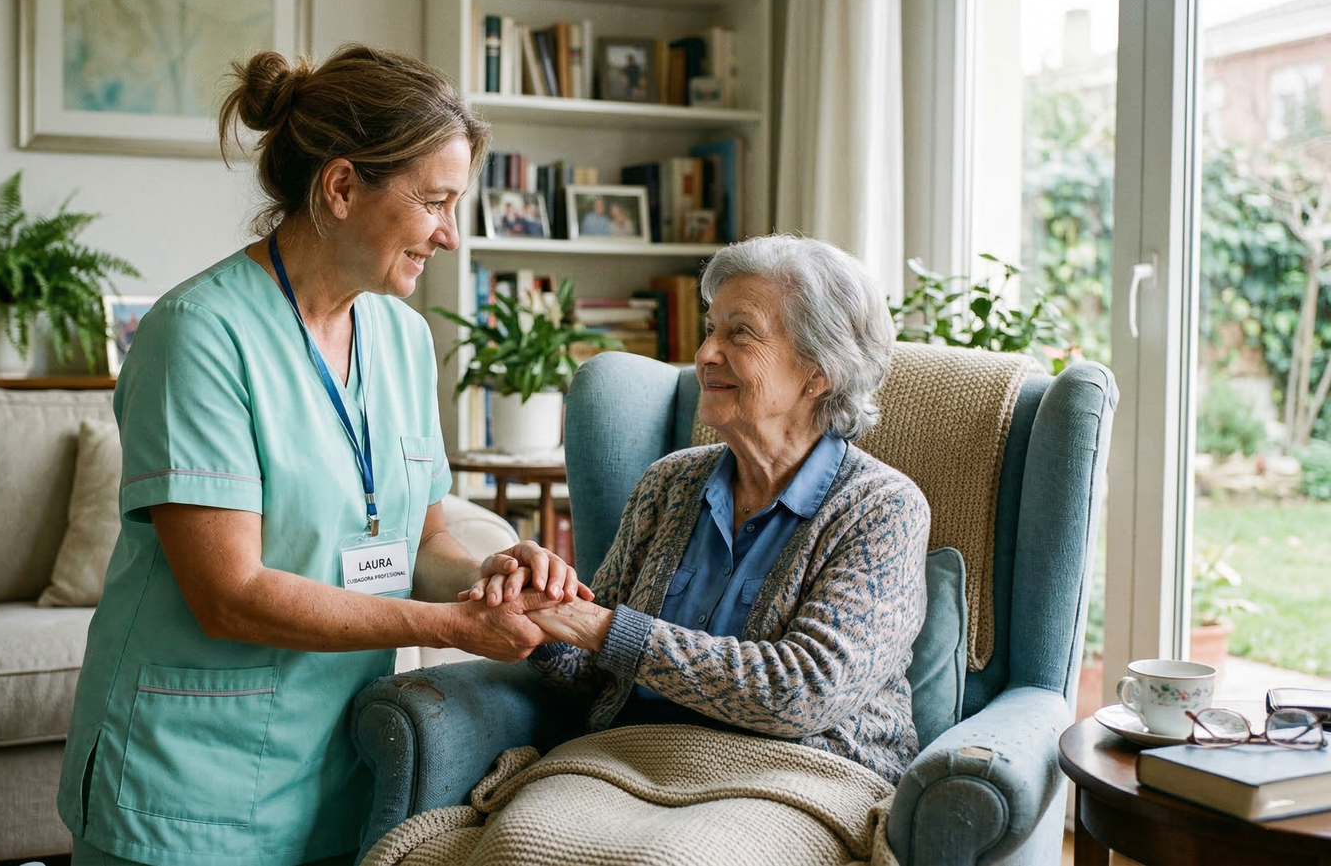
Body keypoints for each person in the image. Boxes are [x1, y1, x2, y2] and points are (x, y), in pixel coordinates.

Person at [56, 44, 588, 866]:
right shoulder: (198, 335)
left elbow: (420, 543)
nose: (450, 234)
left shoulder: (405, 339)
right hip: (186, 778)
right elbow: (229, 594)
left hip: (342, 770)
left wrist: (495, 569)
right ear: (341, 187)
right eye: (436, 202)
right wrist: (447, 626)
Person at [466, 234, 930, 786]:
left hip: (801, 776)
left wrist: (605, 627)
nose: (706, 353)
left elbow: (802, 692)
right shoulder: (670, 483)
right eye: (711, 329)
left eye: (740, 333)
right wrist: (541, 612)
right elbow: (597, 670)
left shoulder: (882, 511)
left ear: (818, 372)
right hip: (636, 760)